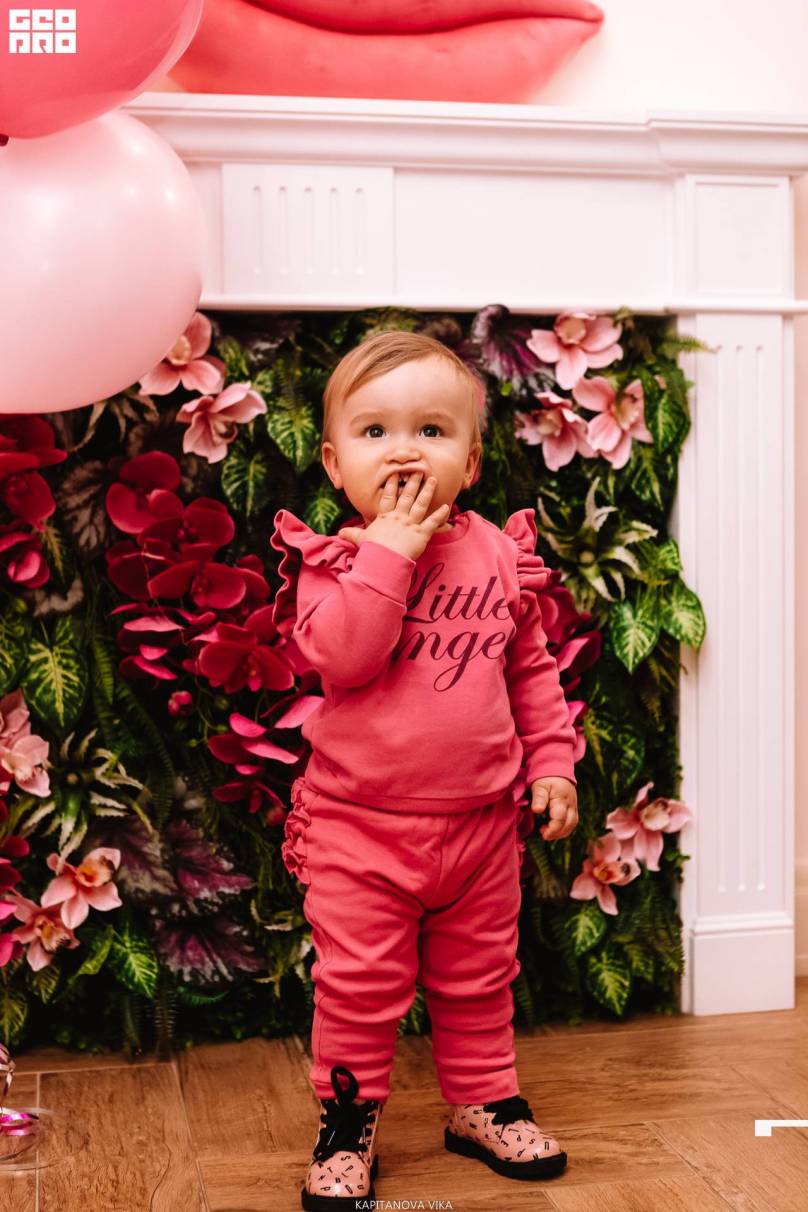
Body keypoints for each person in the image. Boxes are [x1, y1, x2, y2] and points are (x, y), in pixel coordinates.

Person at [269, 331, 579, 1210]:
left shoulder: (496, 555)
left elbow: (530, 670)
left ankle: (483, 1100)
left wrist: (553, 761)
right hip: (361, 828)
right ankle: (346, 1122)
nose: (405, 452)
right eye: (375, 432)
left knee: (479, 978)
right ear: (336, 465)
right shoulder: (334, 563)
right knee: (359, 986)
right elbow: (346, 658)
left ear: (470, 462)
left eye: (432, 431)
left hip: (480, 827)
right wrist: (391, 550)